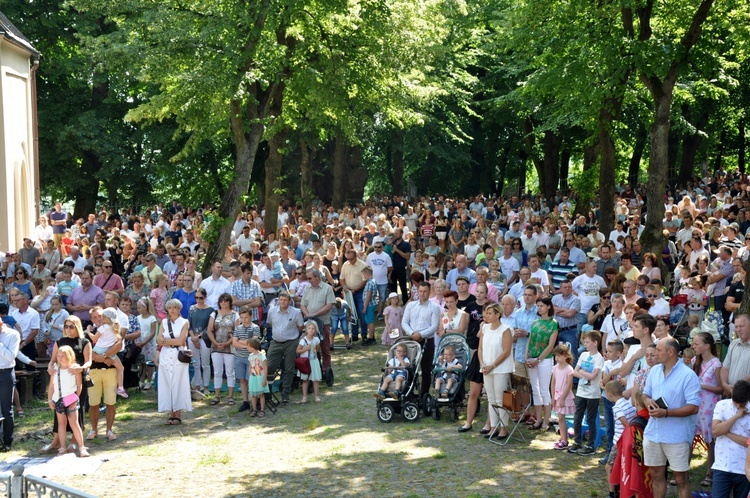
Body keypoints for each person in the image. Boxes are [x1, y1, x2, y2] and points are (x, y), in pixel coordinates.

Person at [642, 337, 701, 498]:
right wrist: (647, 401)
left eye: (659, 350)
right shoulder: (654, 370)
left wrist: (667, 413)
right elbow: (645, 393)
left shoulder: (688, 375)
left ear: (671, 352)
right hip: (654, 432)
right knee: (655, 474)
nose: (656, 353)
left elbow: (694, 407)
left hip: (677, 436)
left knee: (681, 479)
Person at [691, 331, 722, 487]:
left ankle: (710, 472)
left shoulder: (716, 364)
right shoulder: (694, 361)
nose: (693, 346)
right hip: (695, 404)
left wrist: (702, 385)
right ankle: (682, 470)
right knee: (689, 436)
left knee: (709, 440)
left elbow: (721, 388)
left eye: (696, 344)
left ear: (707, 346)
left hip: (709, 406)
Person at [479, 302, 514, 440]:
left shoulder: (506, 329)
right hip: (486, 368)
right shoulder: (485, 328)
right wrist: (483, 364)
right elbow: (480, 348)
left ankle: (503, 427)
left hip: (500, 368)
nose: (486, 316)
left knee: (500, 399)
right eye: (486, 313)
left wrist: (493, 365)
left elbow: (506, 351)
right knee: (491, 398)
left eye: (489, 313)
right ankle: (493, 426)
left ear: (497, 314)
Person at [86, 307, 121, 441]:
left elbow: (118, 346)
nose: (99, 319)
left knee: (110, 402)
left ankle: (109, 430)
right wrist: (99, 357)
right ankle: (93, 429)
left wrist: (105, 357)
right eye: (95, 317)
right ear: (91, 320)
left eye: (100, 316)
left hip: (110, 370)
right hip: (93, 371)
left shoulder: (112, 329)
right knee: (93, 402)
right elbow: (87, 353)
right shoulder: (92, 333)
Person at [567, 330, 604, 455]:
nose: (585, 344)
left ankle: (590, 445)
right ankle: (577, 442)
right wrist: (585, 374)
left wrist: (582, 373)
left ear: (595, 343)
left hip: (593, 393)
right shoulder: (583, 355)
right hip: (581, 392)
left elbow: (593, 376)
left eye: (588, 342)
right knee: (577, 417)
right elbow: (574, 371)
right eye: (584, 342)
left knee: (591, 419)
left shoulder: (599, 358)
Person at [401, 281, 441, 397]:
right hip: (412, 340)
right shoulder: (410, 305)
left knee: (426, 369)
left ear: (429, 292)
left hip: (427, 341)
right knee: (409, 367)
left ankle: (423, 395)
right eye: (420, 291)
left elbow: (434, 326)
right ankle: (408, 392)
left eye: (425, 292)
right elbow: (404, 322)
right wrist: (412, 333)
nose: (422, 294)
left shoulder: (434, 307)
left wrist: (421, 334)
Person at [47, 345, 88, 457]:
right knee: (61, 423)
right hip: (58, 398)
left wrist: (76, 399)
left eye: (62, 356)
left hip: (70, 398)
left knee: (74, 423)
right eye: (58, 356)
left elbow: (79, 385)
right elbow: (51, 386)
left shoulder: (74, 369)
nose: (59, 358)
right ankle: (62, 446)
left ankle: (81, 447)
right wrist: (50, 399)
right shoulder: (55, 369)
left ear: (69, 356)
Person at [156, 299, 192, 425]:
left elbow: (181, 341)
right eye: (170, 308)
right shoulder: (164, 322)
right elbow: (158, 339)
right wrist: (167, 342)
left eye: (174, 307)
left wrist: (165, 342)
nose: (172, 310)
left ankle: (178, 413)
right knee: (167, 382)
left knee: (179, 383)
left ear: (179, 309)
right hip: (166, 354)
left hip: (178, 354)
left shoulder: (184, 322)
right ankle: (170, 413)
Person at [525, 295, 558, 431]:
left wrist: (539, 359)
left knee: (544, 389)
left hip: (545, 359)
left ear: (548, 306)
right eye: (538, 306)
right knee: (535, 389)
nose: (539, 308)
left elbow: (550, 345)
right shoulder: (535, 322)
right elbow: (530, 340)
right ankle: (538, 419)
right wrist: (526, 355)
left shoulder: (553, 323)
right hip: (532, 358)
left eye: (542, 306)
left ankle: (546, 419)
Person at [713, 380, 750, 498]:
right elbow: (715, 431)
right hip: (721, 466)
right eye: (736, 402)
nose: (738, 406)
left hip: (745, 469)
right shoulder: (722, 405)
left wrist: (726, 432)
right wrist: (737, 416)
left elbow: (748, 442)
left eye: (742, 403)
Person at [265, 292, 304, 403]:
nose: (282, 302)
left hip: (291, 343)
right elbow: (270, 324)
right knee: (269, 366)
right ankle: (268, 392)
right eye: (281, 300)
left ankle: (285, 393)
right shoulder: (272, 311)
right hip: (276, 342)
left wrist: (291, 336)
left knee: (288, 368)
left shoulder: (296, 312)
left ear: (289, 301)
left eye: (285, 300)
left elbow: (300, 327)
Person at [603, 380, 637, 496]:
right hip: (629, 441)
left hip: (619, 442)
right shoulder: (628, 404)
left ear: (609, 394)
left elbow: (626, 425)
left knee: (609, 467)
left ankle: (612, 492)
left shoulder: (617, 408)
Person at [88, 308, 128, 398]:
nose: (100, 319)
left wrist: (88, 331)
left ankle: (120, 388)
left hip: (99, 349)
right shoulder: (116, 328)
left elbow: (94, 339)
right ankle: (121, 388)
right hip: (108, 351)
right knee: (121, 368)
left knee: (120, 368)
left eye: (101, 316)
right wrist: (105, 357)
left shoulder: (103, 327)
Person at [207, 293, 238, 406]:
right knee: (217, 371)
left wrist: (227, 343)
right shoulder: (214, 314)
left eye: (226, 300)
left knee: (230, 372)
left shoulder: (235, 315)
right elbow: (209, 330)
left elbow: (236, 331)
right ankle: (217, 395)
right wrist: (215, 343)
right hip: (216, 347)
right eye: (221, 300)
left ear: (230, 302)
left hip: (230, 347)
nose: (223, 302)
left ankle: (230, 396)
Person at [300, 268, 335, 367]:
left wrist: (315, 314)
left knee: (325, 347)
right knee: (310, 346)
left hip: (323, 323)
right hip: (309, 324)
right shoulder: (307, 288)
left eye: (310, 278)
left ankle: (326, 368)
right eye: (307, 278)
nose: (308, 280)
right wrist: (307, 314)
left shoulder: (327, 288)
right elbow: (303, 305)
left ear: (317, 277)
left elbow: (329, 305)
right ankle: (314, 368)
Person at [233, 306, 260, 413]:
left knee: (252, 380)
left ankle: (255, 400)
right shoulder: (238, 328)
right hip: (239, 357)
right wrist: (247, 344)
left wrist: (241, 341)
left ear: (251, 316)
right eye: (242, 317)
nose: (244, 320)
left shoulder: (255, 327)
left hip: (251, 359)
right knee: (242, 380)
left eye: (246, 317)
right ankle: (245, 401)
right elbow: (234, 342)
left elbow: (254, 342)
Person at [719, 314, 750, 397]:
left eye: (742, 326)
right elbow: (725, 367)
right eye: (736, 327)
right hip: (730, 394)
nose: (738, 330)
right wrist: (724, 384)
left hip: (746, 395)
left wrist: (736, 388)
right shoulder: (733, 344)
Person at [0, 319, 20, 451]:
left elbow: (11, 356)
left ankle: (7, 441)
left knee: (6, 409)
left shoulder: (13, 334)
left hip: (5, 373)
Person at [551, 344, 575, 450]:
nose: (557, 358)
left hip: (564, 396)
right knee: (560, 418)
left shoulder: (569, 369)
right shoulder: (555, 368)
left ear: (566, 356)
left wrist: (562, 398)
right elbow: (553, 383)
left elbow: (569, 385)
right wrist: (553, 397)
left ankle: (564, 440)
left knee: (561, 417)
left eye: (559, 356)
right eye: (556, 356)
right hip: (557, 395)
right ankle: (562, 438)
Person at [297, 320, 323, 403]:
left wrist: (316, 349)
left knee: (315, 380)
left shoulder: (316, 339)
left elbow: (318, 348)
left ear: (315, 330)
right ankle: (304, 397)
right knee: (305, 380)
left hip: (314, 361)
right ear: (306, 330)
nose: (311, 330)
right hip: (305, 362)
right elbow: (297, 351)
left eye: (313, 328)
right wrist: (305, 349)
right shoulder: (303, 340)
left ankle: (317, 396)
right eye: (309, 328)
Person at [135, 298, 157, 389]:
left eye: (140, 307)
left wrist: (144, 342)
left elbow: (153, 332)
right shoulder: (137, 318)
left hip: (149, 343)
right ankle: (142, 380)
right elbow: (136, 330)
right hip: (140, 341)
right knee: (141, 362)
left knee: (149, 362)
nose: (138, 309)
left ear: (146, 307)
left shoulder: (152, 318)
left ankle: (149, 381)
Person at [246, 337, 268, 417]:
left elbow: (265, 367)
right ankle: (254, 409)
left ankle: (262, 410)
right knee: (253, 394)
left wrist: (264, 379)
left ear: (252, 347)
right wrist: (249, 376)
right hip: (253, 377)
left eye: (248, 346)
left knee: (261, 394)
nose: (247, 348)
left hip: (260, 377)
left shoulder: (262, 355)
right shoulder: (250, 356)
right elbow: (250, 366)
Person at [361, 266, 379, 344]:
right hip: (372, 303)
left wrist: (365, 307)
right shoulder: (373, 281)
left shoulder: (369, 283)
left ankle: (371, 338)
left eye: (364, 274)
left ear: (367, 274)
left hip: (369, 304)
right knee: (369, 320)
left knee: (370, 321)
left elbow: (368, 295)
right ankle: (372, 336)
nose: (363, 276)